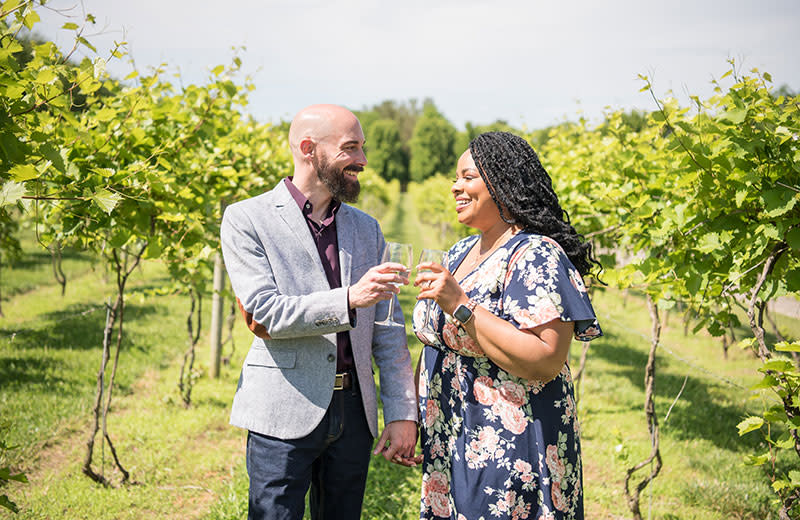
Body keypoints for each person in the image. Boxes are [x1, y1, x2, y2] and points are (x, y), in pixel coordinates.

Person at [220, 104, 418, 520]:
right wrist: (349, 299)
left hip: (353, 411)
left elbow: (388, 330)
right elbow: (264, 312)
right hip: (283, 409)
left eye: (363, 148)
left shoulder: (368, 228)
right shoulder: (246, 220)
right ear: (309, 149)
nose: (363, 161)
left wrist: (401, 412)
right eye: (351, 148)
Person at [412, 131, 603, 520]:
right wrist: (414, 415)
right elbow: (439, 344)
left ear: (502, 183)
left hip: (509, 442)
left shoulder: (537, 254)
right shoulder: (462, 250)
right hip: (452, 432)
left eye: (467, 177)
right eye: (455, 177)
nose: (455, 187)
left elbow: (545, 359)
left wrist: (461, 306)